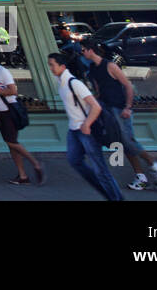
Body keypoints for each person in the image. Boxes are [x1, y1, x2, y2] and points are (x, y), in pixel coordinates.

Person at [81, 38, 157, 191]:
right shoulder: (92, 70)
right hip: (107, 109)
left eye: (83, 50)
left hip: (119, 109)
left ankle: (155, 166)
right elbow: (99, 91)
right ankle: (140, 176)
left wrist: (128, 107)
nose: (82, 53)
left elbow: (128, 85)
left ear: (90, 50)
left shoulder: (110, 66)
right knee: (122, 143)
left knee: (128, 141)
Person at [48, 51, 123, 201]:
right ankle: (106, 191)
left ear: (62, 66)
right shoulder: (61, 83)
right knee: (74, 160)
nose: (50, 68)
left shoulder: (74, 83)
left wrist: (87, 124)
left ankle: (116, 198)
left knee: (100, 169)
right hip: (74, 129)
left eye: (52, 65)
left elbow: (96, 106)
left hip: (85, 130)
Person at [0, 45, 44, 186]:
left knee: (11, 142)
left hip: (9, 111)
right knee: (11, 144)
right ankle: (22, 175)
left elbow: (13, 90)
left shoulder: (3, 72)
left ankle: (35, 163)